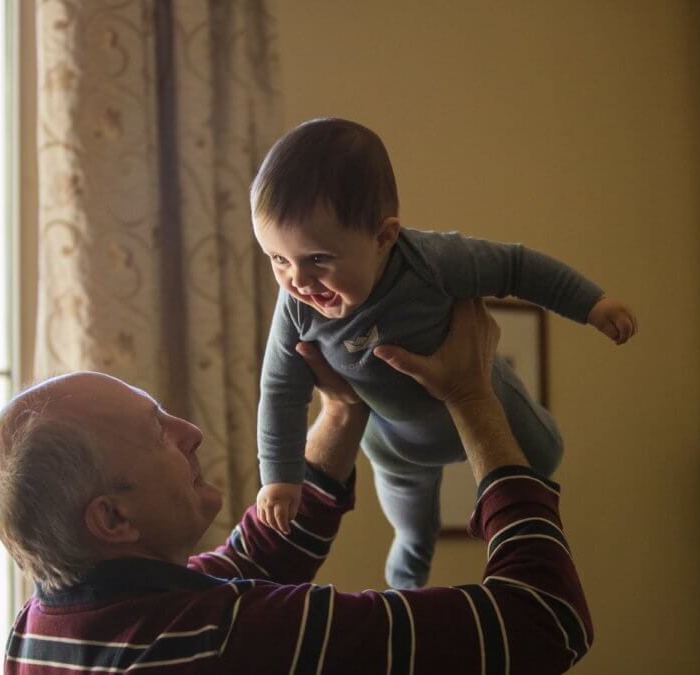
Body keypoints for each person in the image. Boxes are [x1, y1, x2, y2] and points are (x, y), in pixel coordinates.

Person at [0, 299, 594, 673]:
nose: (191, 432)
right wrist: (471, 397)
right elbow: (543, 621)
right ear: (113, 520)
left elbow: (255, 559)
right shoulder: (224, 641)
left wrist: (339, 411)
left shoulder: (40, 628)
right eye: (157, 433)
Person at [253, 117, 638, 588]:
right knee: (413, 528)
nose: (298, 280)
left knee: (546, 456)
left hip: (487, 398)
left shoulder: (432, 261)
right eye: (277, 259)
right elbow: (279, 390)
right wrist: (279, 477)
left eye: (317, 259)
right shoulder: (295, 308)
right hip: (396, 444)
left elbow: (517, 267)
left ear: (383, 238)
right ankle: (406, 586)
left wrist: (592, 304)